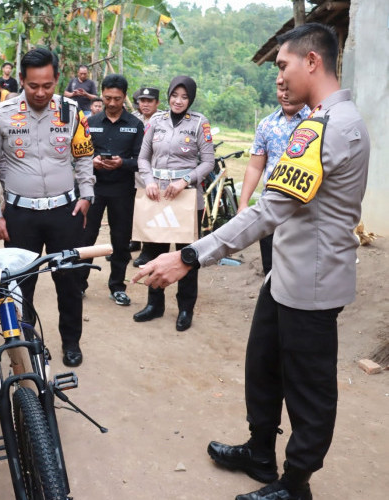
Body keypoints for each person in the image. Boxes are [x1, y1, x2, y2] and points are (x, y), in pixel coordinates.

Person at [133, 24, 370, 500]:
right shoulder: (322, 119)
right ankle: (260, 451)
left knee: (308, 392)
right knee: (262, 367)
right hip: (285, 276)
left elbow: (270, 209)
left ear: (312, 62)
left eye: (283, 65)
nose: (279, 76)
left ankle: (294, 484)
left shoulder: (329, 126)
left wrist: (190, 255)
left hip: (313, 284)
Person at [0, 48, 95, 367]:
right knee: (19, 285)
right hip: (20, 215)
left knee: (69, 282)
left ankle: (71, 342)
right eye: (33, 86)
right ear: (21, 80)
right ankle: (28, 340)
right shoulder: (0, 114)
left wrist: (86, 194)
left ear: (57, 79)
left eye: (47, 85)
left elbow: (84, 155)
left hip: (65, 212)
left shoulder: (72, 112)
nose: (41, 92)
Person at [132, 75, 214, 331]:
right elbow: (143, 158)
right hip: (157, 196)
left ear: (191, 99)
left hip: (186, 198)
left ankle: (185, 308)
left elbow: (208, 162)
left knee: (187, 256)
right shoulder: (156, 121)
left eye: (184, 96)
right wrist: (149, 180)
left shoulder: (200, 123)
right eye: (174, 95)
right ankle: (154, 305)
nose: (178, 101)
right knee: (155, 254)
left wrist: (186, 180)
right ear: (168, 96)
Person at [79, 74, 144, 306]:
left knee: (121, 240)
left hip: (123, 191)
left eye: (117, 99)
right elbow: (79, 155)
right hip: (94, 190)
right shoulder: (90, 122)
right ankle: (79, 284)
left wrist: (122, 163)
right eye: (108, 98)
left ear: (125, 97)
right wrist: (93, 161)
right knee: (86, 237)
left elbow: (141, 160)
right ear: (102, 95)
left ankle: (117, 286)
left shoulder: (136, 125)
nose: (113, 103)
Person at [238, 87, 309, 276]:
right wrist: (243, 203)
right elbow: (255, 166)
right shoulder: (266, 125)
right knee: (270, 270)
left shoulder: (316, 121)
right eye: (280, 89)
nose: (285, 94)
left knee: (300, 271)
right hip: (269, 208)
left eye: (289, 88)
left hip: (304, 211)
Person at [132, 86, 164, 264]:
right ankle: (135, 242)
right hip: (135, 170)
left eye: (149, 101)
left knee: (152, 212)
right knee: (137, 210)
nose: (145, 104)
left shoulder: (163, 120)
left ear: (157, 103)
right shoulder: (134, 119)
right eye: (142, 101)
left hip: (155, 172)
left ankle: (148, 251)